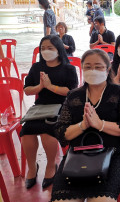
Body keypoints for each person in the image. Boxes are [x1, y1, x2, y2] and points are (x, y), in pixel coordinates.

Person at [51, 49, 120, 202]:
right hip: (79, 154)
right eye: (88, 67)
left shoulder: (118, 93)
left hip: (116, 154)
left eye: (98, 67)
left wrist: (100, 124)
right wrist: (83, 125)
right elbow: (61, 131)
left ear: (107, 70)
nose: (93, 70)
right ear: (82, 69)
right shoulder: (74, 96)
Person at [21, 35, 78, 189]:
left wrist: (51, 86)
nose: (46, 51)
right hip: (40, 107)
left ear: (59, 50)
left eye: (50, 48)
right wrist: (40, 87)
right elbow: (27, 90)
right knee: (26, 133)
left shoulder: (69, 68)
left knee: (47, 133)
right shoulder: (36, 68)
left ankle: (51, 166)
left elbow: (71, 91)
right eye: (43, 48)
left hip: (63, 107)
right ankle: (32, 168)